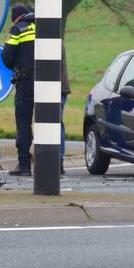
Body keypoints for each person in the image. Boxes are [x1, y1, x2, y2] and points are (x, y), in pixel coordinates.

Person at [2, 4, 36, 176]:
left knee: (23, 122)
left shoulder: (18, 29)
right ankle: (54, 165)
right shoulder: (47, 26)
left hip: (26, 81)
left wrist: (16, 66)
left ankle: (24, 165)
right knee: (51, 123)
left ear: (16, 18)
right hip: (49, 82)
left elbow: (6, 56)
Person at [60, 41, 71, 175]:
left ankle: (56, 160)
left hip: (54, 89)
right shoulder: (58, 40)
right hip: (61, 88)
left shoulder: (49, 39)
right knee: (58, 125)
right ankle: (58, 161)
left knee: (55, 125)